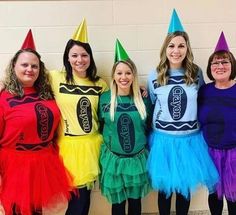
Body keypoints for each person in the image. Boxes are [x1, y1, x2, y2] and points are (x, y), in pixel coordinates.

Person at [147, 9, 219, 215]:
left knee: (184, 189)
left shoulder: (195, 74)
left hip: (189, 141)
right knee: (165, 190)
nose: (176, 50)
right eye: (171, 45)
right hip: (164, 141)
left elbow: (202, 100)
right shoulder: (155, 75)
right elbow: (153, 104)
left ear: (187, 47)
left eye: (181, 45)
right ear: (165, 48)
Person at [0, 30, 72, 215]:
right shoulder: (4, 98)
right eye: (24, 65)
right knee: (17, 209)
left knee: (39, 209)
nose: (30, 69)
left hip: (45, 161)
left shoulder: (47, 94)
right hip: (15, 166)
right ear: (14, 66)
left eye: (35, 66)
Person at [49, 19, 108, 215]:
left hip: (92, 146)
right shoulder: (55, 77)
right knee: (76, 200)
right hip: (68, 149)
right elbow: (26, 75)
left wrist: (139, 89)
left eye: (84, 55)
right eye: (74, 55)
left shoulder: (100, 83)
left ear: (90, 57)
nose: (79, 60)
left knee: (84, 199)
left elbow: (112, 104)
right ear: (67, 57)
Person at [99, 39, 152, 215]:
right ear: (113, 75)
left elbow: (149, 126)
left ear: (134, 76)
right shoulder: (104, 99)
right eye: (119, 73)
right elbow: (100, 126)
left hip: (137, 159)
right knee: (118, 204)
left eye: (128, 73)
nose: (124, 77)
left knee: (135, 202)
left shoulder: (143, 99)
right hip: (114, 160)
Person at [198, 31, 236, 215]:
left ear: (232, 66)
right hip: (210, 152)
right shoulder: (204, 91)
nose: (220, 66)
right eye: (215, 62)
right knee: (214, 196)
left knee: (234, 197)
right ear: (210, 67)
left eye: (225, 62)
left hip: (234, 154)